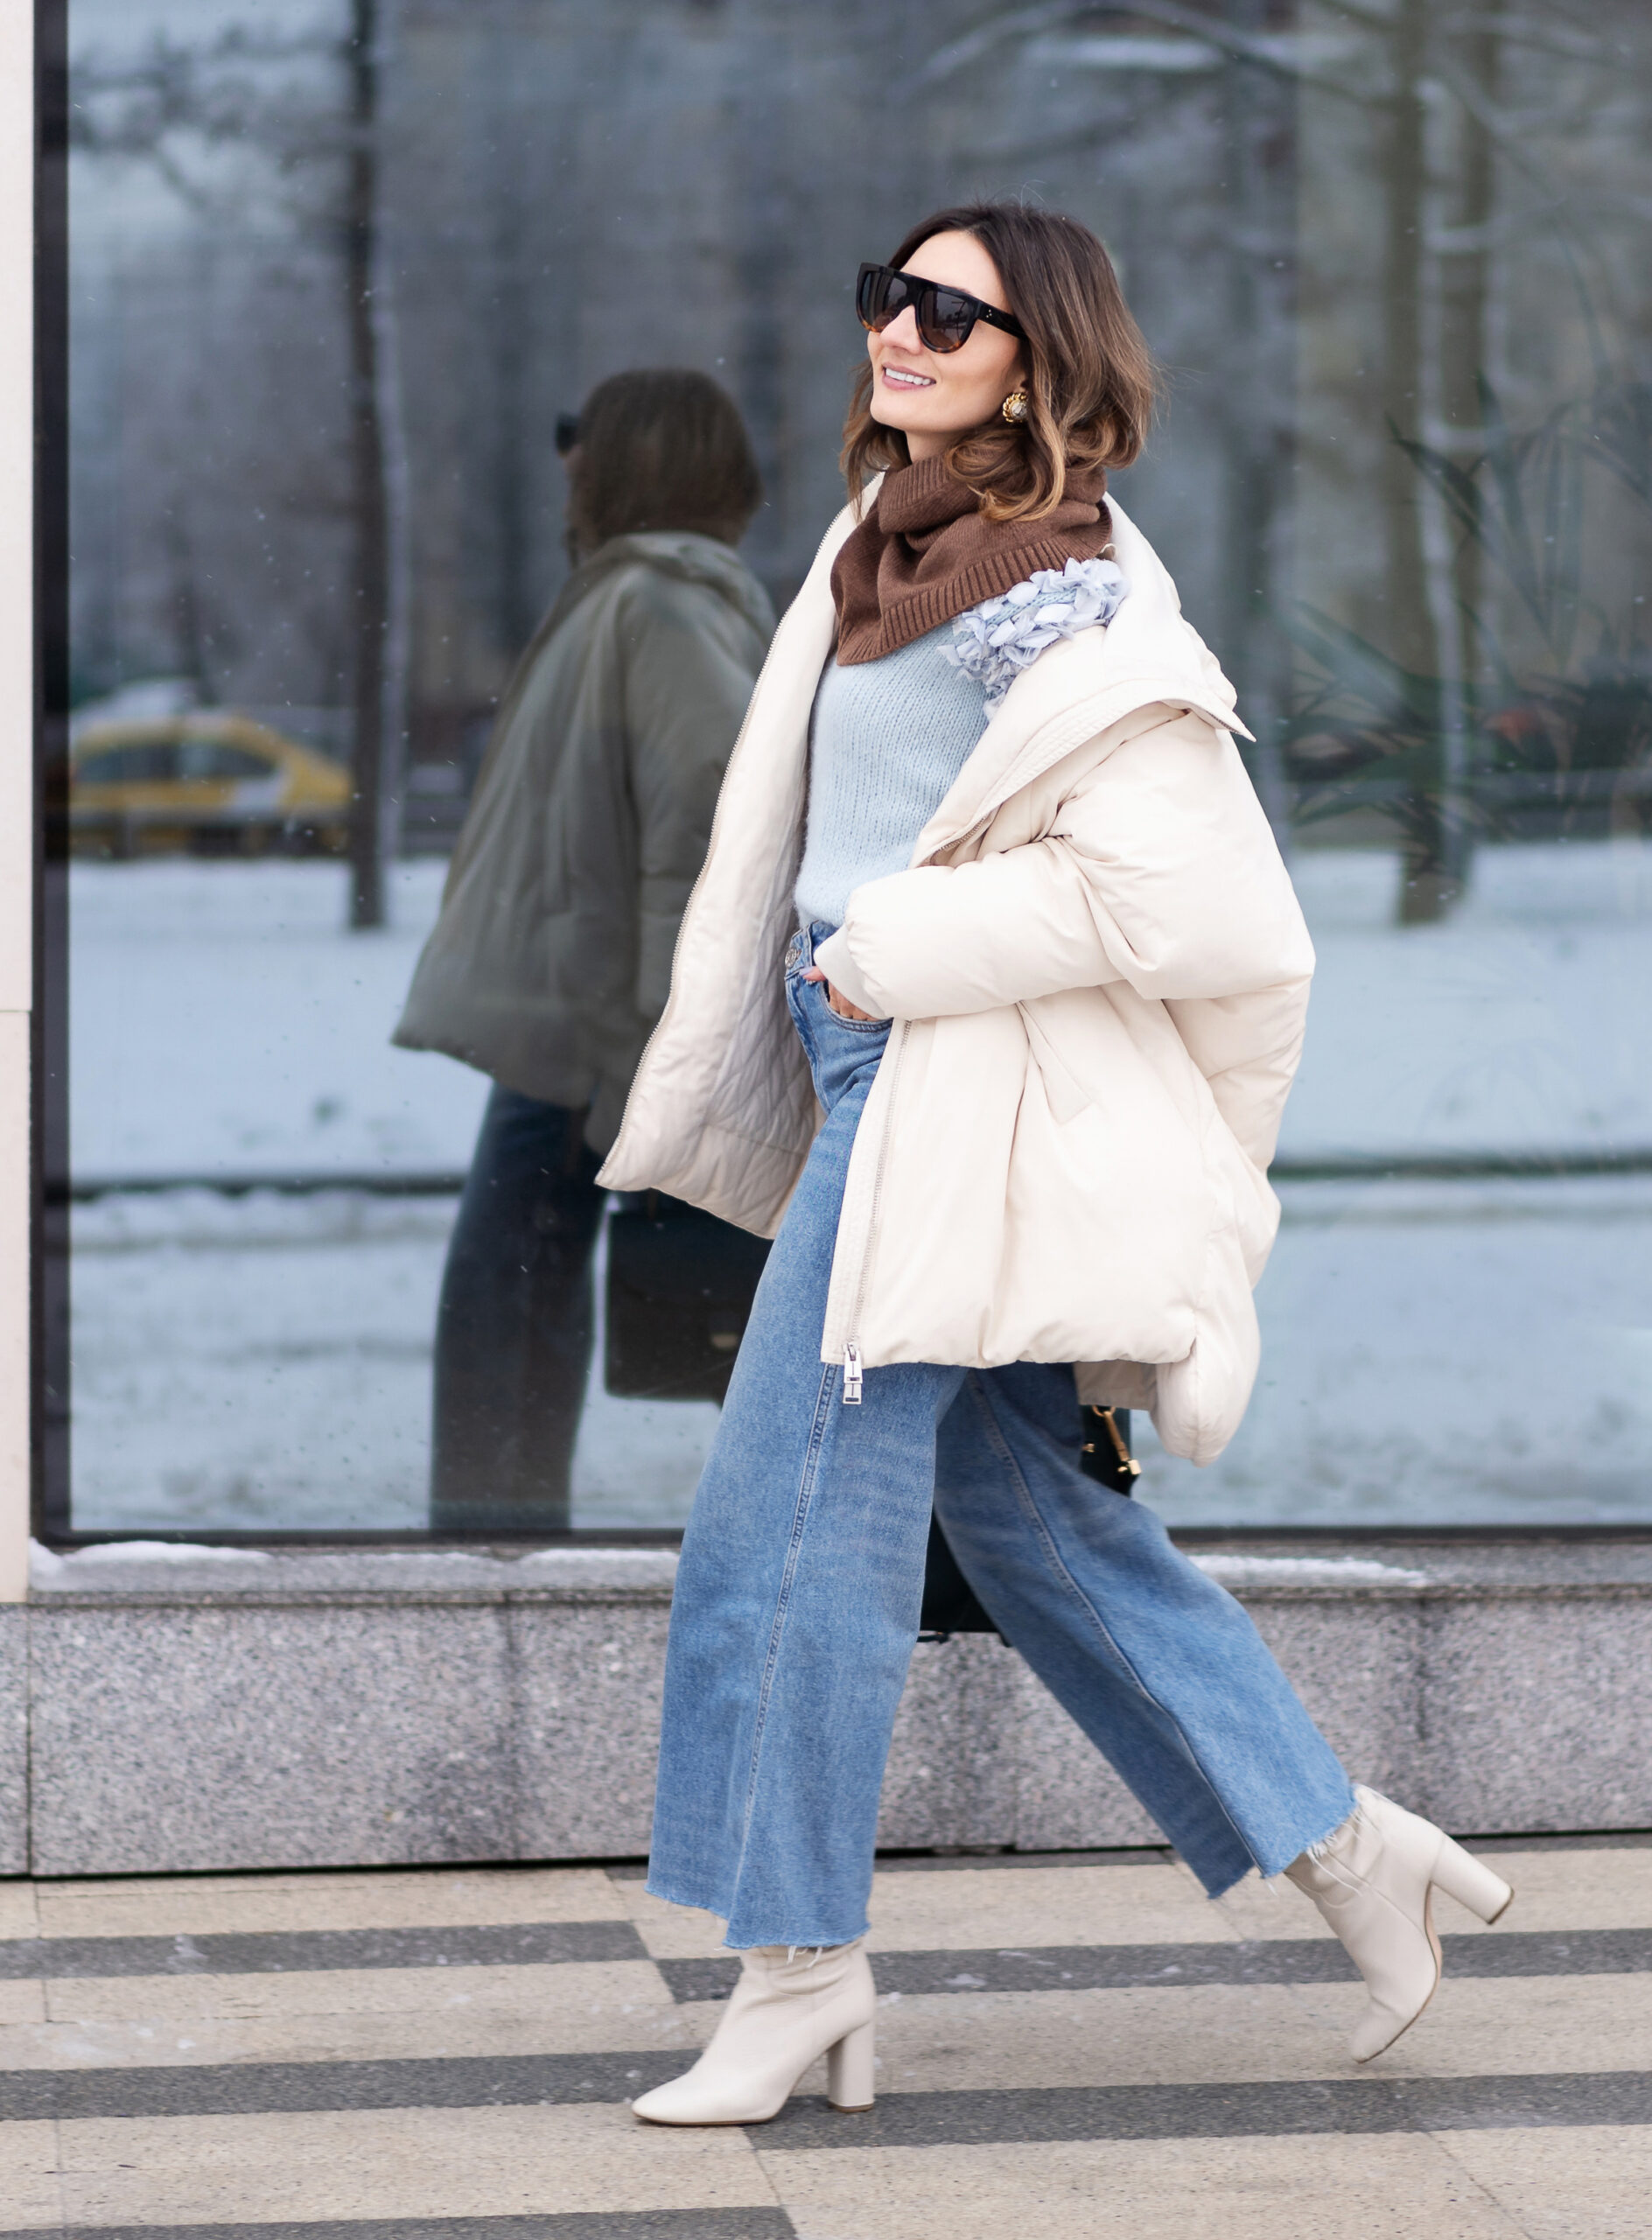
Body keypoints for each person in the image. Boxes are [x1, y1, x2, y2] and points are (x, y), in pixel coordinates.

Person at [600, 204, 1516, 2126]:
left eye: (950, 309)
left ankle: (797, 1965)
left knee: (784, 1522)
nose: (899, 329)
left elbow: (1171, 899)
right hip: (876, 1068)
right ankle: (1353, 1848)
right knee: (1034, 1521)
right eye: (887, 294)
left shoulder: (1075, 598)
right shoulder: (882, 548)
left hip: (940, 1090)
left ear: (1042, 354)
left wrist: (889, 951)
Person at [394, 369, 775, 1534]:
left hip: (594, 1035)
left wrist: (654, 1064)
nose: (567, 463)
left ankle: (491, 1565)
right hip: (582, 1023)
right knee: (515, 1312)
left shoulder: (657, 609)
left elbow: (707, 830)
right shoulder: (641, 599)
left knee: (508, 1314)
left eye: (585, 440)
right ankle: (496, 1555)